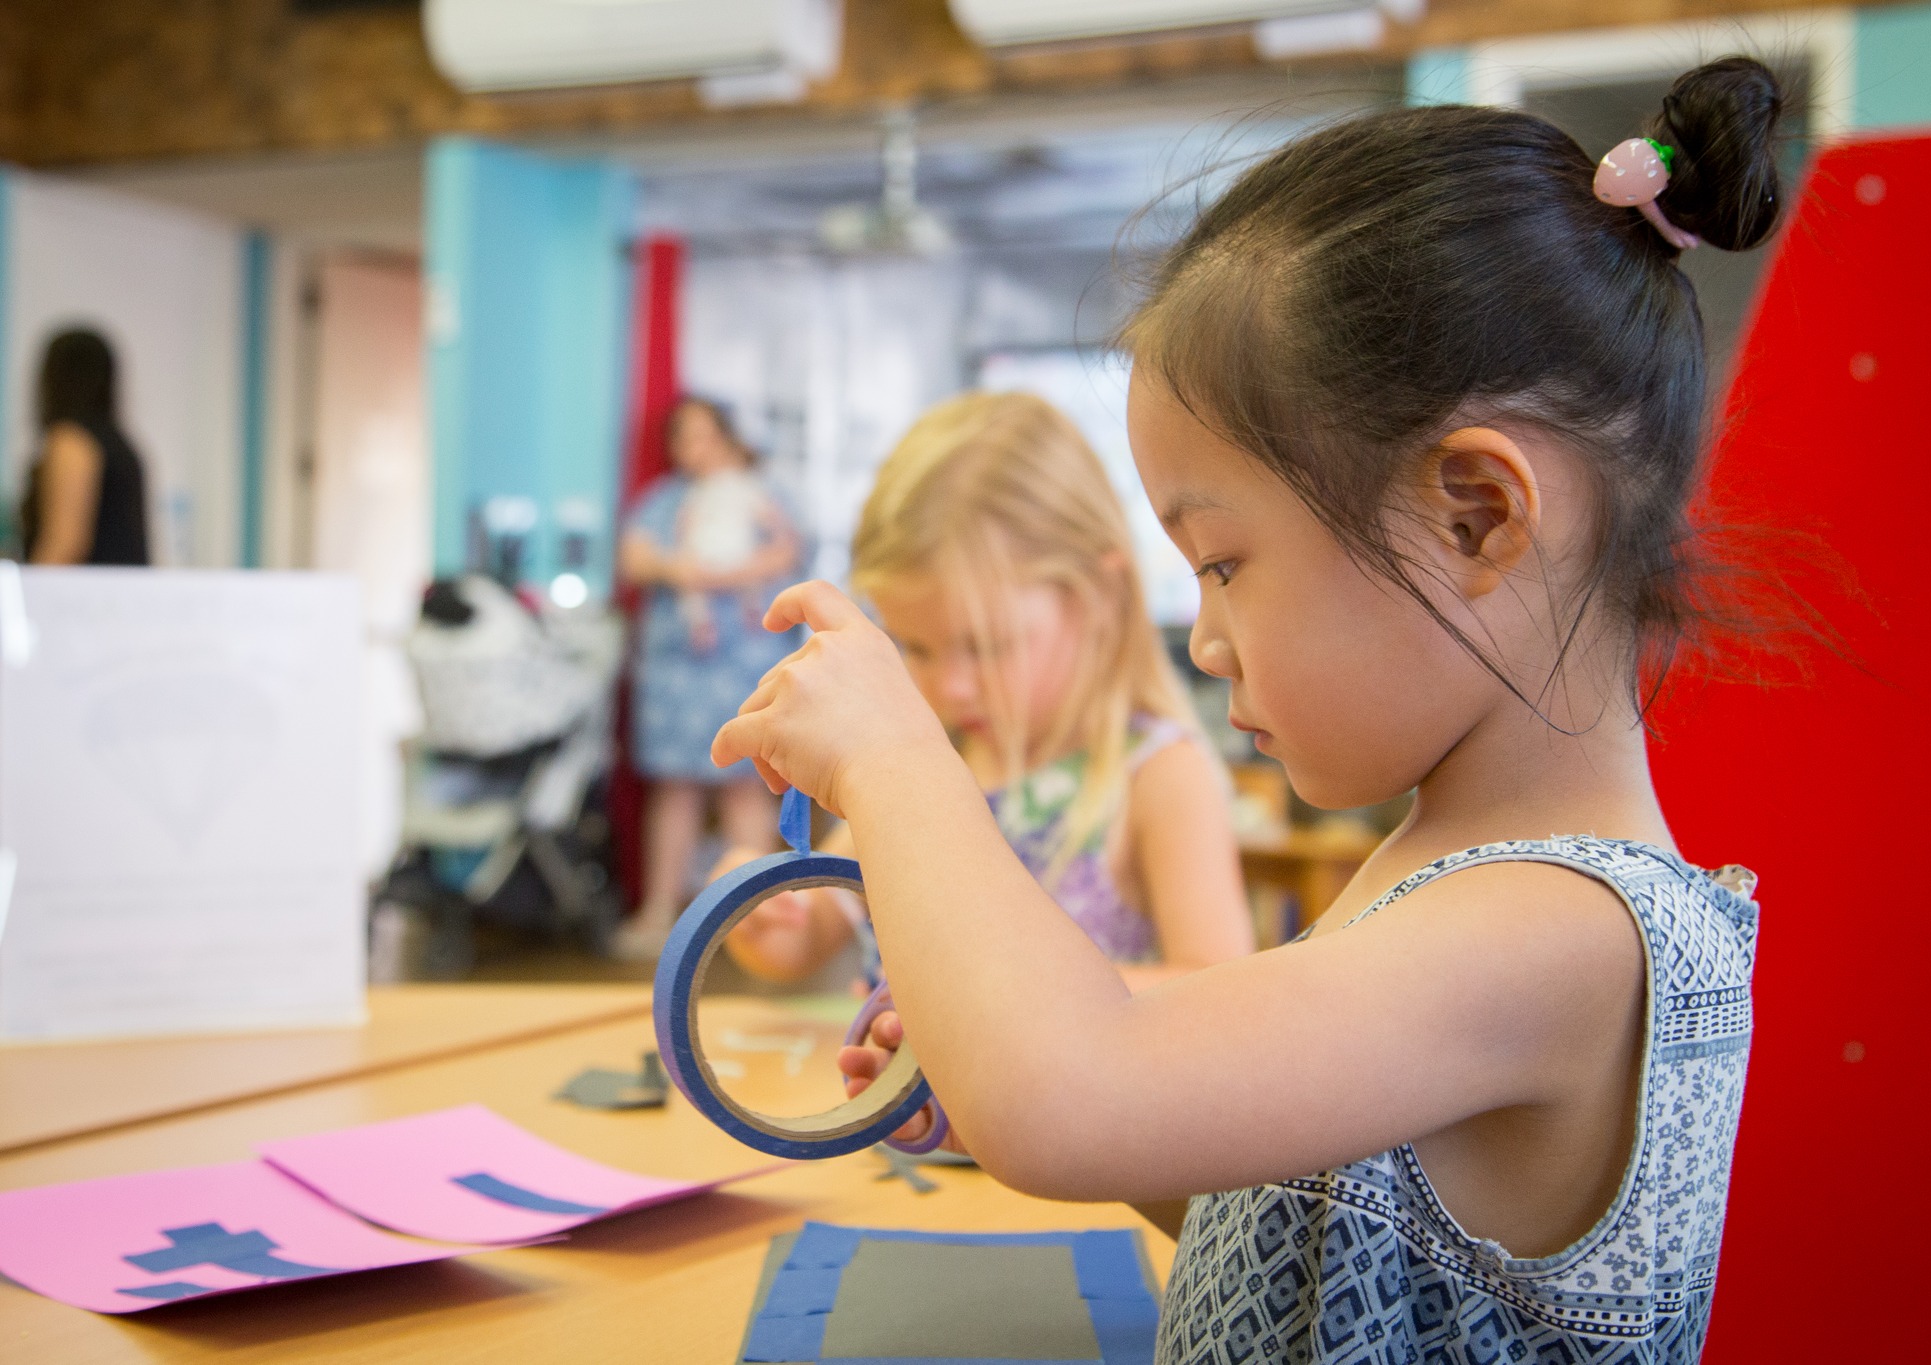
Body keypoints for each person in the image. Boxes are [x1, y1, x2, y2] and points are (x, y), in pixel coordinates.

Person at [714, 57, 1783, 1363]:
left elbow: (1079, 1094)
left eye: (1223, 563)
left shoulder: (1562, 930)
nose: (1209, 637)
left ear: (1479, 517)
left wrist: (892, 756)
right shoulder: (1441, 870)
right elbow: (1303, 1221)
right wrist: (998, 1064)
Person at [720, 392, 1253, 992]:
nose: (950, 685)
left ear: (1098, 595)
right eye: (916, 648)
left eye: (988, 646)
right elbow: (813, 935)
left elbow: (1219, 990)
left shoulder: (1157, 776)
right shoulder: (924, 766)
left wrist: (1000, 1004)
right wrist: (768, 917)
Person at [611, 397, 802, 960]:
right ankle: (659, 915)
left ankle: (756, 921)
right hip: (676, 666)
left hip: (748, 659)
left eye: (703, 436)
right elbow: (635, 559)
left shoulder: (765, 492)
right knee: (675, 789)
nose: (694, 449)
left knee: (750, 784)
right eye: (682, 439)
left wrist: (727, 575)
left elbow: (789, 551)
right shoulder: (664, 501)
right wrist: (683, 570)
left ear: (727, 435)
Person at [19, 328, 150, 566]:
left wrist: (24, 597)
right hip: (120, 593)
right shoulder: (123, 447)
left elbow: (65, 544)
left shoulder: (70, 441)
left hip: (81, 598)